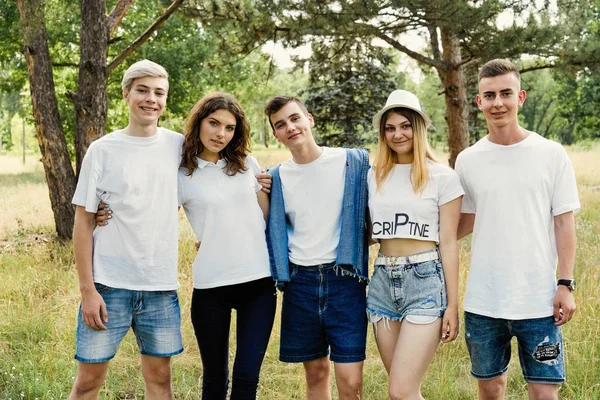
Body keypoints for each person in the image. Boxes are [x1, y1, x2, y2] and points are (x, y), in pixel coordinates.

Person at [455, 59, 580, 400]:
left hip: (538, 302)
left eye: (506, 94)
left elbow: (563, 222)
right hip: (484, 301)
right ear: (478, 102)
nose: (498, 103)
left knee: (544, 393)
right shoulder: (468, 159)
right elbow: (464, 220)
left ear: (520, 97)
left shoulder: (551, 154)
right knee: (491, 390)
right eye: (489, 95)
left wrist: (565, 284)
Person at [70, 59, 184, 399]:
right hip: (108, 286)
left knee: (161, 381)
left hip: (160, 287)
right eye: (143, 90)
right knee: (88, 382)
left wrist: (265, 178)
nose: (151, 99)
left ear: (166, 99)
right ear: (126, 94)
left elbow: (220, 170)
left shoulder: (179, 146)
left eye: (159, 92)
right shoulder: (102, 150)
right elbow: (83, 220)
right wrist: (87, 290)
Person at [264, 96, 370, 400]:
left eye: (294, 118)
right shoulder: (276, 177)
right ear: (276, 134)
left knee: (350, 382)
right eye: (281, 124)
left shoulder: (351, 162)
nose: (290, 127)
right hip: (300, 283)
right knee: (316, 373)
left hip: (345, 281)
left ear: (309, 119)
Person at [178, 92, 276, 400]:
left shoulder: (248, 165)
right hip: (211, 287)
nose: (221, 133)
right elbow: (153, 218)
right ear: (199, 124)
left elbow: (265, 219)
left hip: (258, 285)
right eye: (214, 123)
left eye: (229, 128)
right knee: (215, 380)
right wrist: (101, 213)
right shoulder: (182, 174)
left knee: (247, 379)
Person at [366, 90, 463, 399]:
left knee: (400, 390)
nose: (398, 134)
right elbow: (367, 232)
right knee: (405, 391)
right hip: (381, 281)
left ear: (418, 128)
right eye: (390, 128)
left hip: (424, 282)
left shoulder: (443, 177)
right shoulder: (373, 175)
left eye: (405, 125)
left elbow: (448, 243)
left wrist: (452, 305)